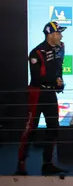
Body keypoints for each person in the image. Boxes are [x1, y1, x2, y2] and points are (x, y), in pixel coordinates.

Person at [16, 21, 68, 176]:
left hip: (50, 93)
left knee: (53, 127)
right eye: (58, 32)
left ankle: (47, 163)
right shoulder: (36, 52)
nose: (61, 35)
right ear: (50, 34)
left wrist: (59, 82)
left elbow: (59, 68)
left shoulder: (61, 47)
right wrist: (54, 81)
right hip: (36, 93)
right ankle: (21, 164)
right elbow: (37, 77)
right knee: (31, 127)